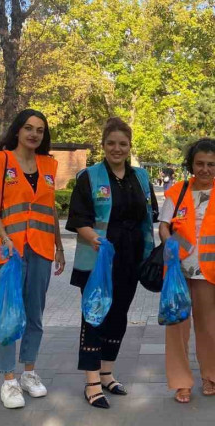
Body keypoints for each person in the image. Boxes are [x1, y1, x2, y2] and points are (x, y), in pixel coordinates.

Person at [67, 117, 156, 409]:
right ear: (103, 145)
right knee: (95, 316)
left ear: (130, 147)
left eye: (123, 144)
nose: (117, 149)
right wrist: (97, 241)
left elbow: (149, 216)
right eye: (111, 143)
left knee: (118, 317)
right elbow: (79, 220)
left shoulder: (140, 177)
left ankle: (107, 373)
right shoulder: (88, 177)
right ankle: (91, 382)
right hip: (98, 262)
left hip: (130, 260)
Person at [0, 108, 65, 409]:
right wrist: (5, 238)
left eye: (39, 130)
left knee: (35, 314)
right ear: (17, 130)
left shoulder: (49, 165)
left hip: (41, 248)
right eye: (28, 128)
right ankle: (8, 381)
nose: (33, 134)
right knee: (8, 315)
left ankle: (29, 372)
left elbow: (51, 209)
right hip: (8, 251)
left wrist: (59, 246)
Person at [160, 138, 215, 404]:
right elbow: (164, 227)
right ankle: (181, 382)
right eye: (200, 163)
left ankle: (210, 376)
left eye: (210, 164)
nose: (204, 169)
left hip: (210, 273)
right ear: (191, 163)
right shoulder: (177, 191)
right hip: (178, 272)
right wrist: (173, 247)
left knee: (208, 329)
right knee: (177, 328)